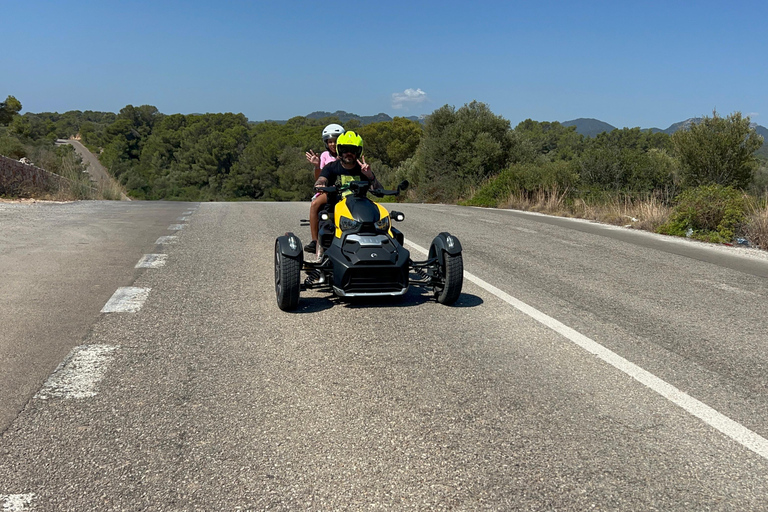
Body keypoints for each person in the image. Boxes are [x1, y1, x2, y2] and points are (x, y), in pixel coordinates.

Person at [305, 130, 380, 254]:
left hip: (360, 210)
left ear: (359, 152)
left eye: (353, 150)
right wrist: (320, 184)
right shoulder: (331, 167)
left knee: (383, 228)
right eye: (345, 150)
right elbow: (322, 178)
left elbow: (378, 191)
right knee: (326, 229)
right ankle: (319, 249)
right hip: (334, 208)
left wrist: (370, 176)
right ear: (340, 150)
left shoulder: (363, 170)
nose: (349, 153)